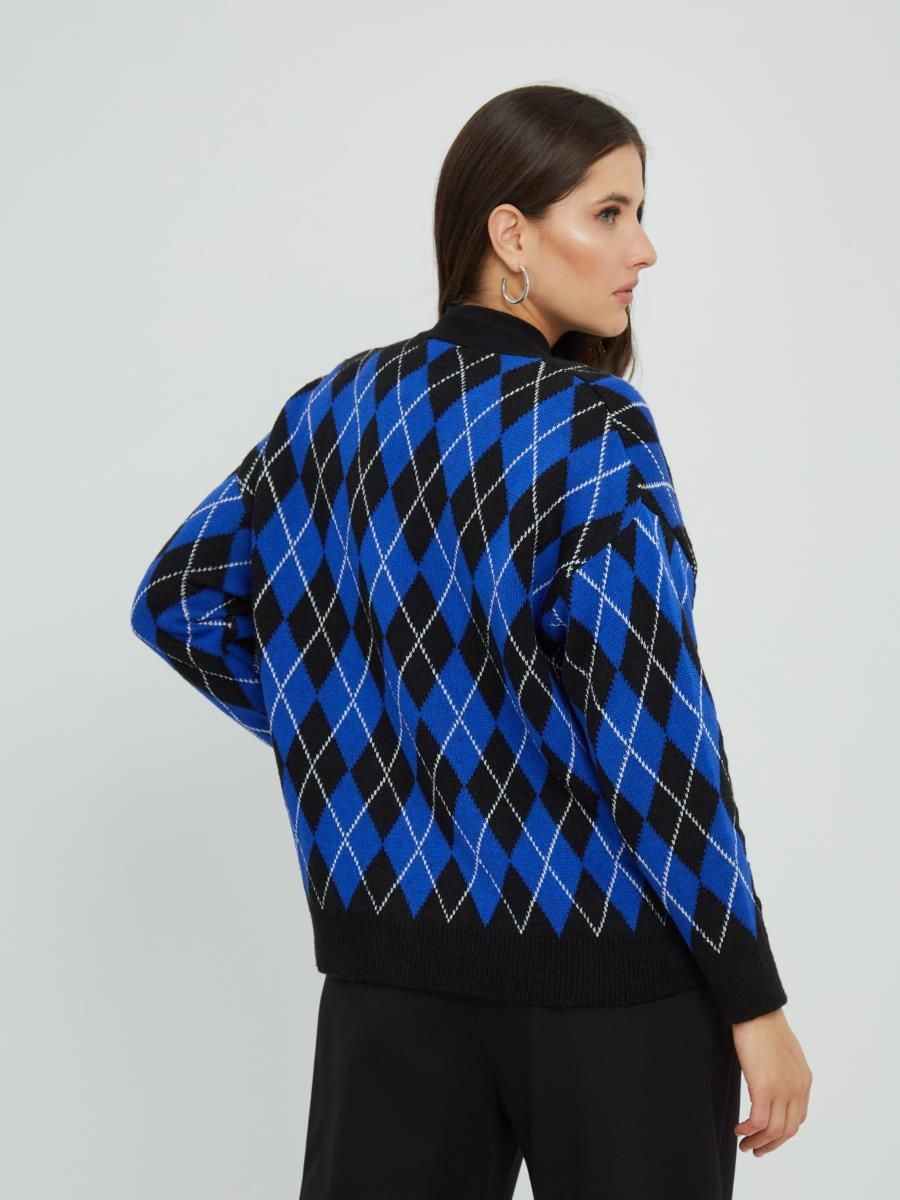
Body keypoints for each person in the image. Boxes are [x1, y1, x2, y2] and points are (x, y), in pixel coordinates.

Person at [130, 84, 813, 1198]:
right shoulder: (590, 432)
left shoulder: (332, 410)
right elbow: (655, 731)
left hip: (387, 971)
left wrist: (361, 733)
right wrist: (754, 999)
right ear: (511, 234)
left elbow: (181, 601)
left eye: (638, 213)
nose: (643, 249)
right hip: (608, 974)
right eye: (609, 212)